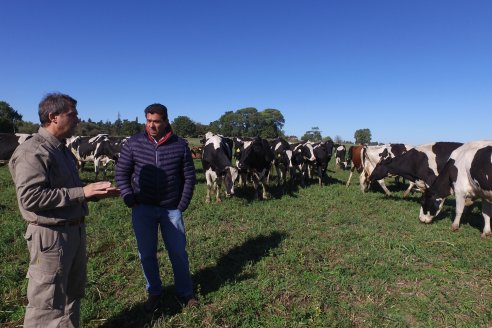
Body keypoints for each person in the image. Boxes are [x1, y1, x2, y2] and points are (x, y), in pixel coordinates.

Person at [9, 93, 120, 328]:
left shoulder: (62, 150)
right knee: (46, 305)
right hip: (50, 237)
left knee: (71, 297)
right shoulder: (33, 151)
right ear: (53, 117)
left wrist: (94, 192)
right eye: (73, 115)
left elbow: (66, 191)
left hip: (73, 232)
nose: (78, 120)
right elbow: (30, 198)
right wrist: (83, 192)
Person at [115, 103, 197, 312]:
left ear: (166, 121)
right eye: (148, 121)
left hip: (171, 210)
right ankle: (154, 291)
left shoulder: (179, 145)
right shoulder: (134, 143)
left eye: (156, 121)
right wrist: (128, 197)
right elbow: (121, 173)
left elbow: (189, 176)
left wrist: (182, 203)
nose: (151, 125)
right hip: (143, 208)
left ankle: (185, 292)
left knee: (178, 252)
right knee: (147, 254)